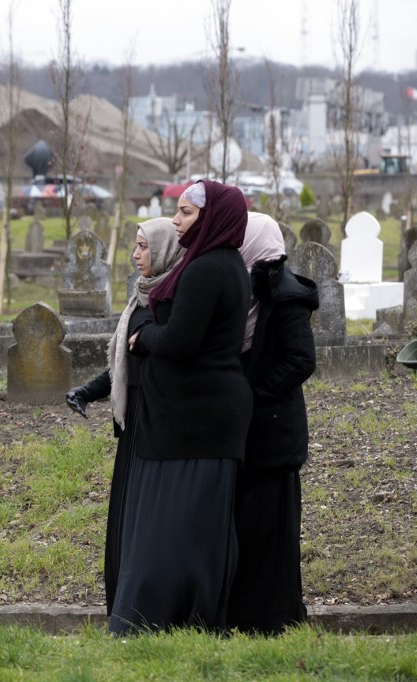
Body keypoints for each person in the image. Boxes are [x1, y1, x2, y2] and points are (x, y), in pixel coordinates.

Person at [109, 179, 253, 635]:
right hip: (194, 417)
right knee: (188, 526)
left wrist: (144, 336)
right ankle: (180, 618)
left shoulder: (209, 268)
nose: (176, 220)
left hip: (195, 420)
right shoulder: (220, 263)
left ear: (212, 218)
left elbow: (182, 340)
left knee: (174, 527)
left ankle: (160, 617)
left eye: (186, 213)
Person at [65, 217, 184, 616]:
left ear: (165, 249)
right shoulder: (140, 296)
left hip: (158, 423)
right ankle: (122, 602)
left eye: (144, 247)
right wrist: (88, 390)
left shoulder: (172, 301)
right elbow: (124, 365)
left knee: (146, 516)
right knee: (125, 513)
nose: (135, 255)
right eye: (135, 246)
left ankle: (145, 605)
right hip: (133, 424)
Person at [227, 212, 318, 635]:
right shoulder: (246, 288)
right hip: (247, 431)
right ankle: (244, 616)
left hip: (274, 433)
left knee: (272, 532)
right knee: (247, 528)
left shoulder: (285, 294)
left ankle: (275, 619)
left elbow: (300, 360)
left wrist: (255, 396)